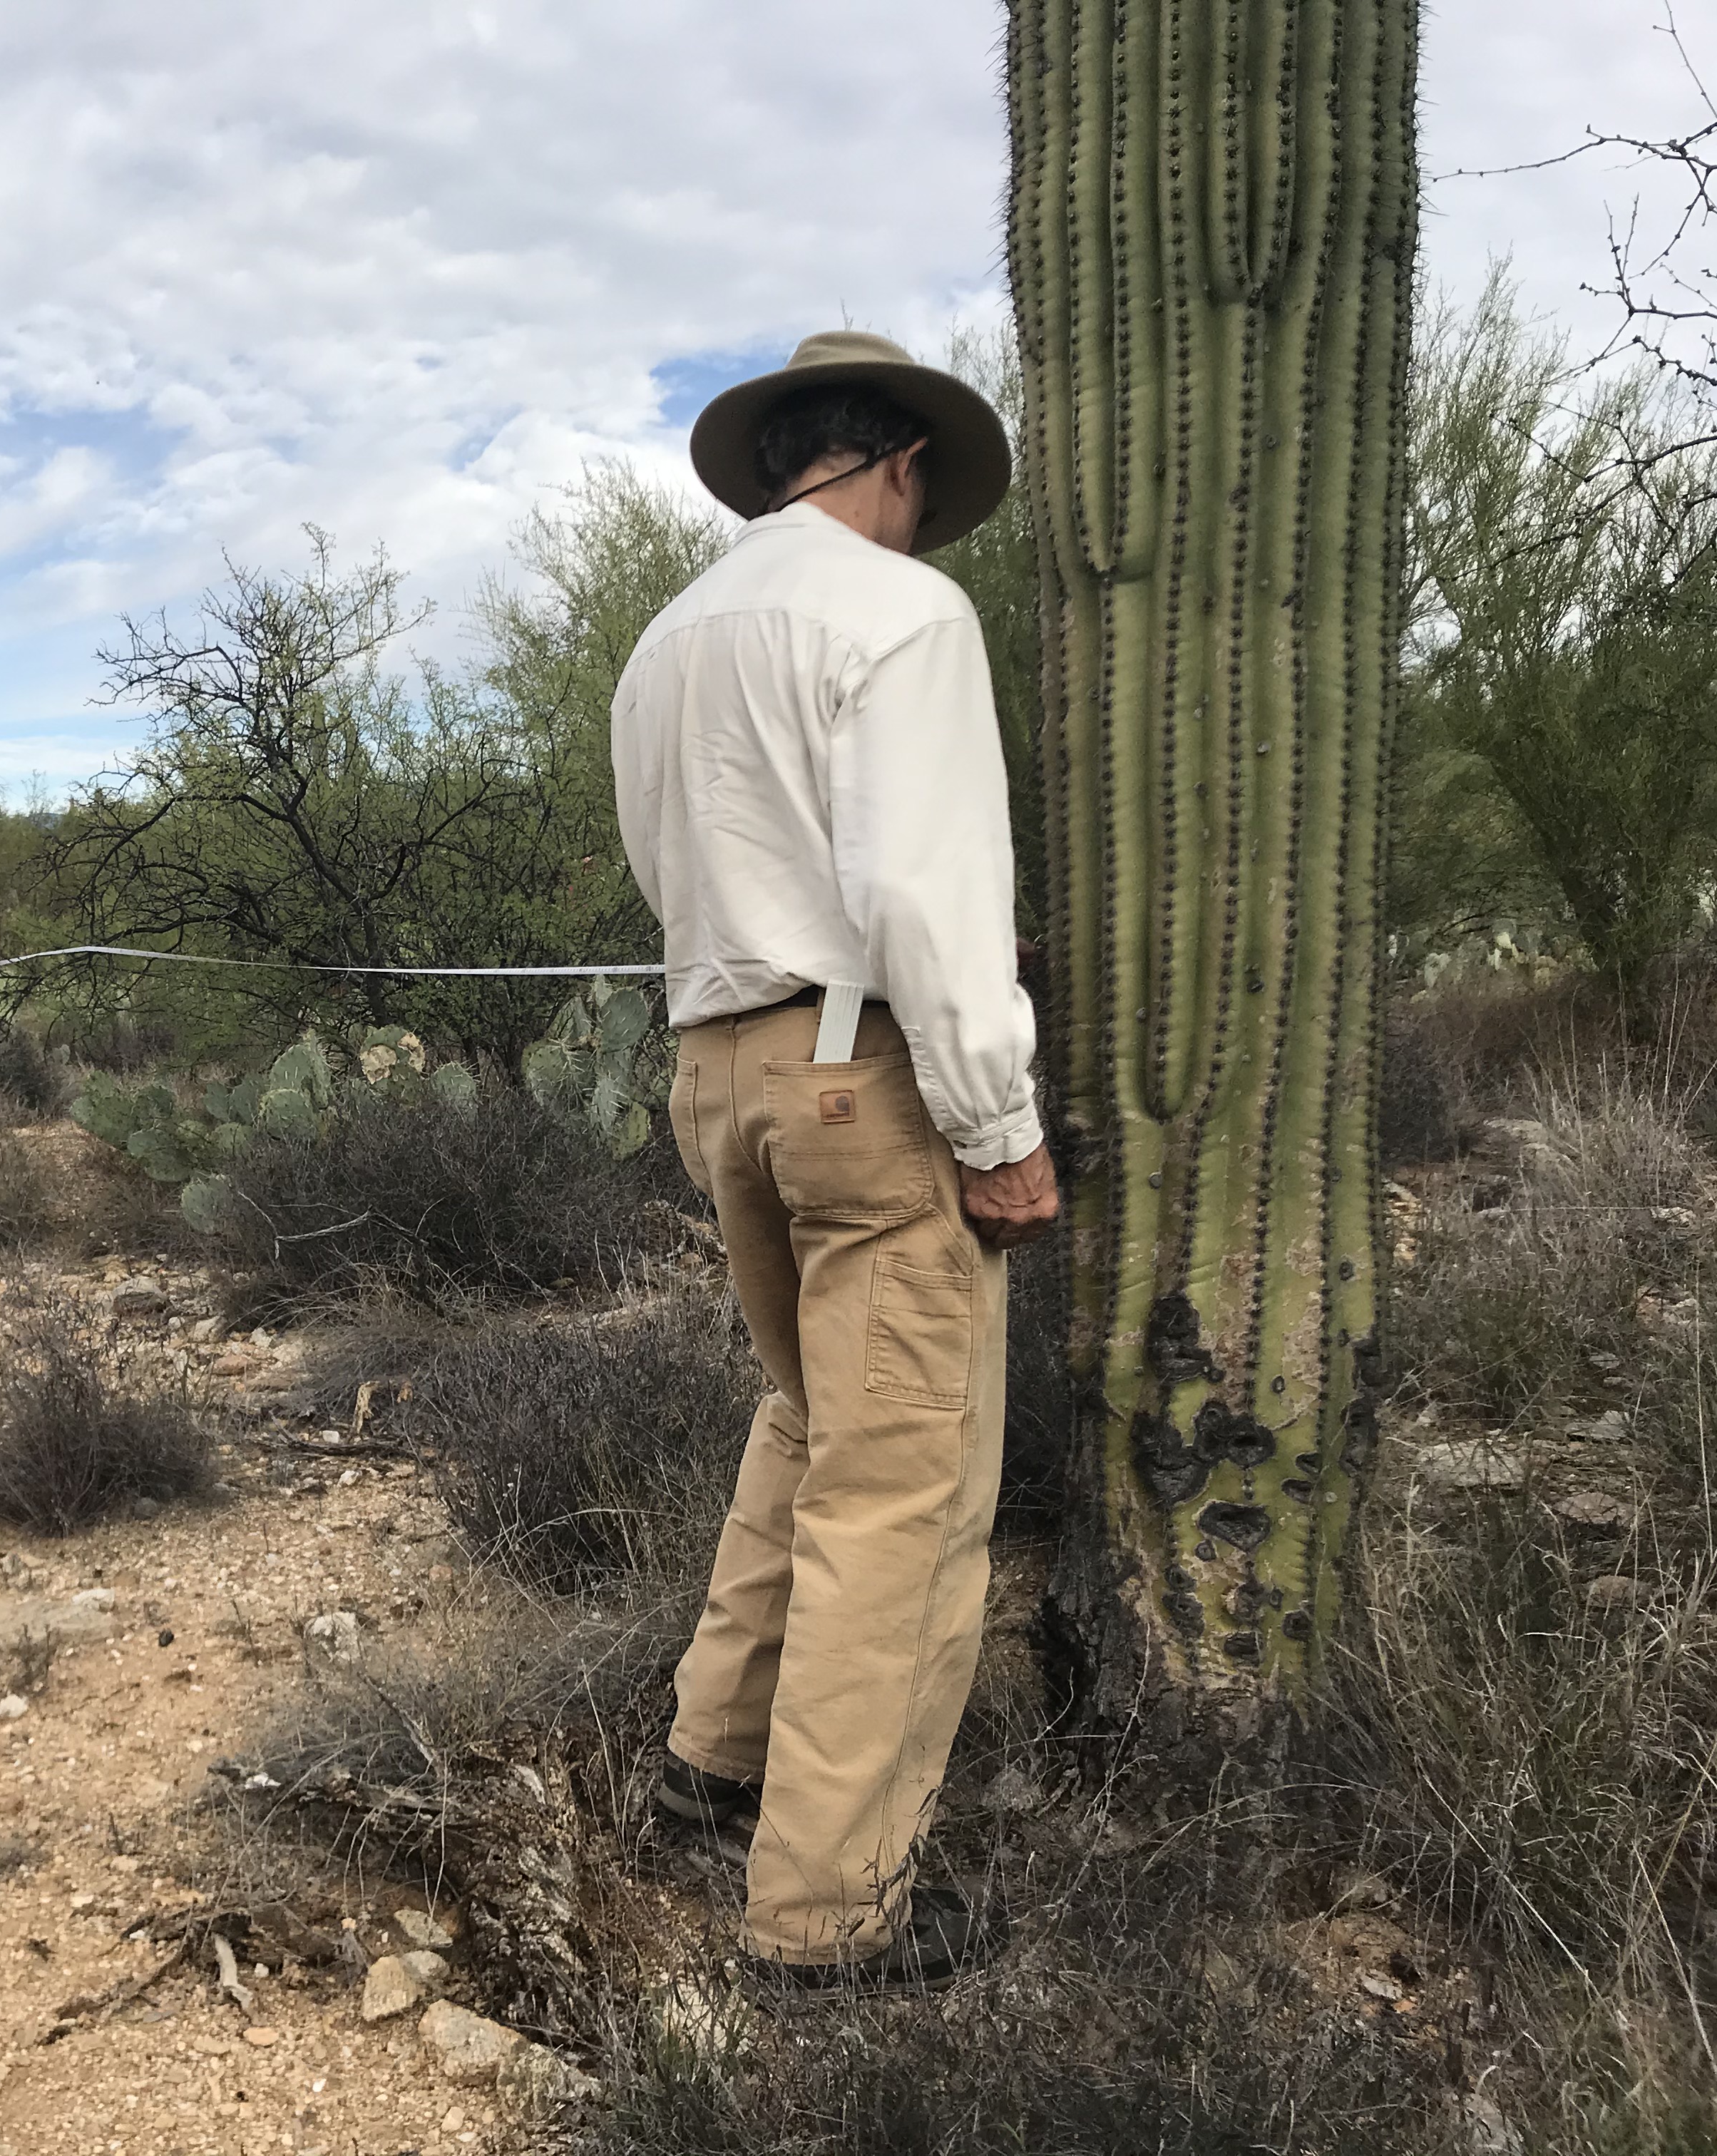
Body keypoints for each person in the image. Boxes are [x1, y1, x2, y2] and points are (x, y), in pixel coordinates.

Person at [610, 330, 1062, 1996]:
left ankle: (709, 1762)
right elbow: (924, 896)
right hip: (860, 1076)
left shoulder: (669, 638)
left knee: (809, 1416)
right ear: (897, 465)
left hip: (715, 1067)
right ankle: (826, 1909)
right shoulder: (900, 614)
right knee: (906, 1483)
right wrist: (997, 1131)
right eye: (925, 490)